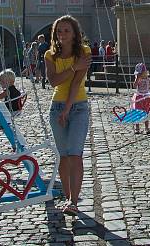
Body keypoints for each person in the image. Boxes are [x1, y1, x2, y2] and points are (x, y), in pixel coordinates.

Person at [45, 15, 92, 216]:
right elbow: (54, 81)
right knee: (63, 156)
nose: (62, 34)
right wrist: (73, 67)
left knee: (75, 154)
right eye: (59, 31)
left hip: (78, 107)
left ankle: (74, 200)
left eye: (66, 30)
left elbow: (75, 83)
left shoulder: (84, 52)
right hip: (56, 107)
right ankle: (68, 198)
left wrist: (67, 109)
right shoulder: (50, 55)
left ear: (74, 34)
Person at [131, 63, 150, 135]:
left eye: (142, 73)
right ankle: (137, 128)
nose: (141, 75)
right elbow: (134, 86)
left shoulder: (149, 79)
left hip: (146, 97)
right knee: (137, 112)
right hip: (139, 97)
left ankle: (147, 128)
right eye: (139, 73)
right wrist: (137, 79)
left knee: (146, 113)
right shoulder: (138, 79)